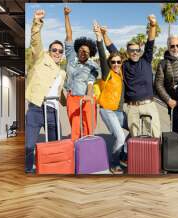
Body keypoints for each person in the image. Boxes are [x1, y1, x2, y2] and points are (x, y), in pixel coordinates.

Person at [102, 14, 161, 138]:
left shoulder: (146, 60)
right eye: (131, 50)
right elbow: (111, 49)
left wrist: (153, 25)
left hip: (149, 104)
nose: (134, 52)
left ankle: (156, 157)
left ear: (140, 51)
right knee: (135, 137)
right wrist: (104, 34)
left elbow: (150, 42)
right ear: (127, 52)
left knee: (155, 135)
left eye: (137, 50)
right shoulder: (124, 65)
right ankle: (136, 157)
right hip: (132, 107)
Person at [25, 9, 67, 173]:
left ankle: (54, 169)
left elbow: (61, 93)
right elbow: (35, 42)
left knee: (56, 143)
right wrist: (37, 22)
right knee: (29, 145)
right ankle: (28, 170)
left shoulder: (62, 73)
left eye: (60, 51)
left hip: (52, 111)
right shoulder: (41, 59)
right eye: (54, 50)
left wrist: (70, 99)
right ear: (49, 52)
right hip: (36, 107)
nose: (57, 52)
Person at [93, 22, 127, 174]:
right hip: (107, 110)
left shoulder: (122, 74)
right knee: (120, 137)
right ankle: (114, 163)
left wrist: (106, 34)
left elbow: (115, 50)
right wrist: (99, 38)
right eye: (113, 62)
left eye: (118, 62)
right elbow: (102, 54)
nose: (116, 64)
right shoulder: (108, 73)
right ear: (110, 63)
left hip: (119, 111)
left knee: (135, 127)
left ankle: (123, 154)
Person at [63, 7, 100, 141]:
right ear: (77, 49)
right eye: (81, 49)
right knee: (75, 129)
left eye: (87, 51)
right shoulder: (71, 56)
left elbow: (90, 83)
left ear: (90, 53)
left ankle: (88, 153)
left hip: (87, 98)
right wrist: (66, 15)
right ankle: (75, 153)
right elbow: (69, 35)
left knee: (89, 127)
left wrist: (89, 97)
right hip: (72, 97)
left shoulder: (93, 65)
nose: (83, 52)